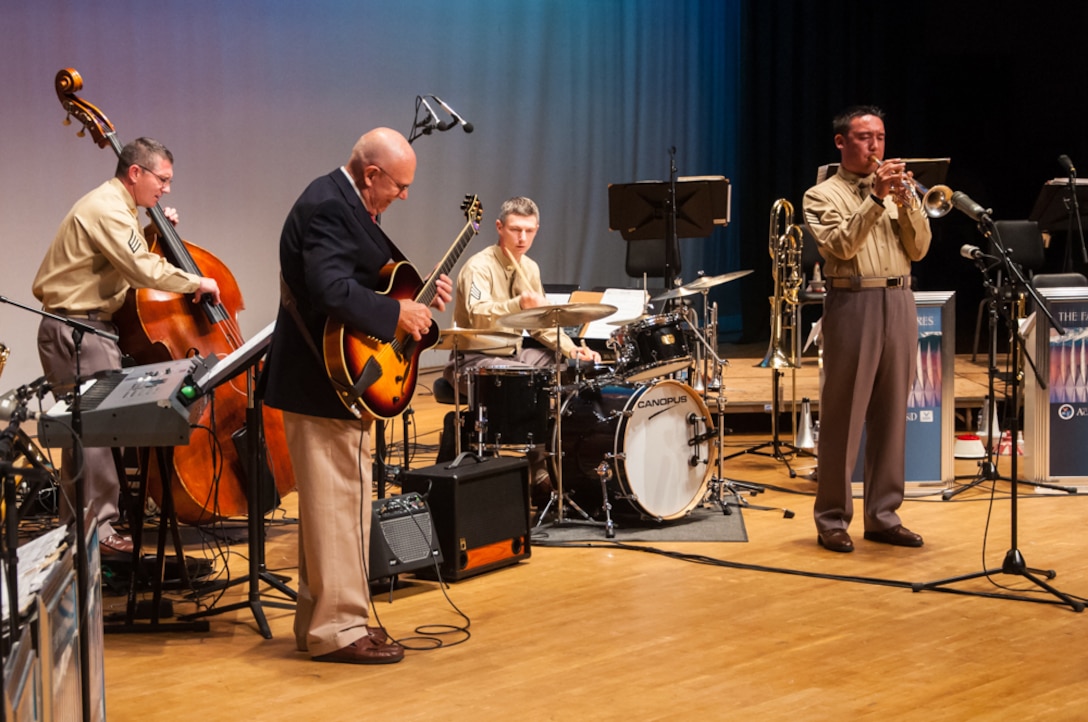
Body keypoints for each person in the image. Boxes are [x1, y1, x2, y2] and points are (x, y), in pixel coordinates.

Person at [263, 127, 452, 665]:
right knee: (336, 509)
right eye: (400, 185)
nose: (404, 196)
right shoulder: (328, 206)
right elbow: (329, 288)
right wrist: (396, 312)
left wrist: (416, 300)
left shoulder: (346, 203)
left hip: (339, 382)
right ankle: (339, 632)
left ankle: (322, 623)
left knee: (338, 507)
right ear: (372, 174)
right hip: (322, 382)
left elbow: (367, 280)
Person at [32, 137, 221, 557]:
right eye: (163, 179)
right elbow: (137, 267)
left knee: (88, 436)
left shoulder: (120, 210)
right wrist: (196, 281)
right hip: (77, 329)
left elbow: (123, 255)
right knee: (93, 436)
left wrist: (154, 231)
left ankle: (81, 534)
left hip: (89, 329)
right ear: (135, 172)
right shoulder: (107, 207)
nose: (167, 189)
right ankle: (97, 532)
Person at [802, 105, 932, 553]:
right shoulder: (821, 195)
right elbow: (840, 245)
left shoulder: (899, 192)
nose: (875, 146)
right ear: (841, 142)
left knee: (893, 412)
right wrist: (875, 200)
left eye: (879, 136)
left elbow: (919, 250)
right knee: (844, 414)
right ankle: (832, 518)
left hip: (899, 298)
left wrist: (907, 203)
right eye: (863, 137)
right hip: (853, 300)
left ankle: (883, 515)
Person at [441, 197, 599, 503]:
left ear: (537, 229)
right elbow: (477, 313)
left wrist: (571, 351)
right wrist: (518, 304)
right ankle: (535, 473)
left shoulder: (530, 267)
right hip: (474, 359)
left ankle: (566, 464)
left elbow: (539, 325)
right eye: (515, 230)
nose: (522, 238)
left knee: (568, 371)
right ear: (500, 228)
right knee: (527, 382)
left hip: (511, 354)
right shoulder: (479, 267)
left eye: (528, 231)